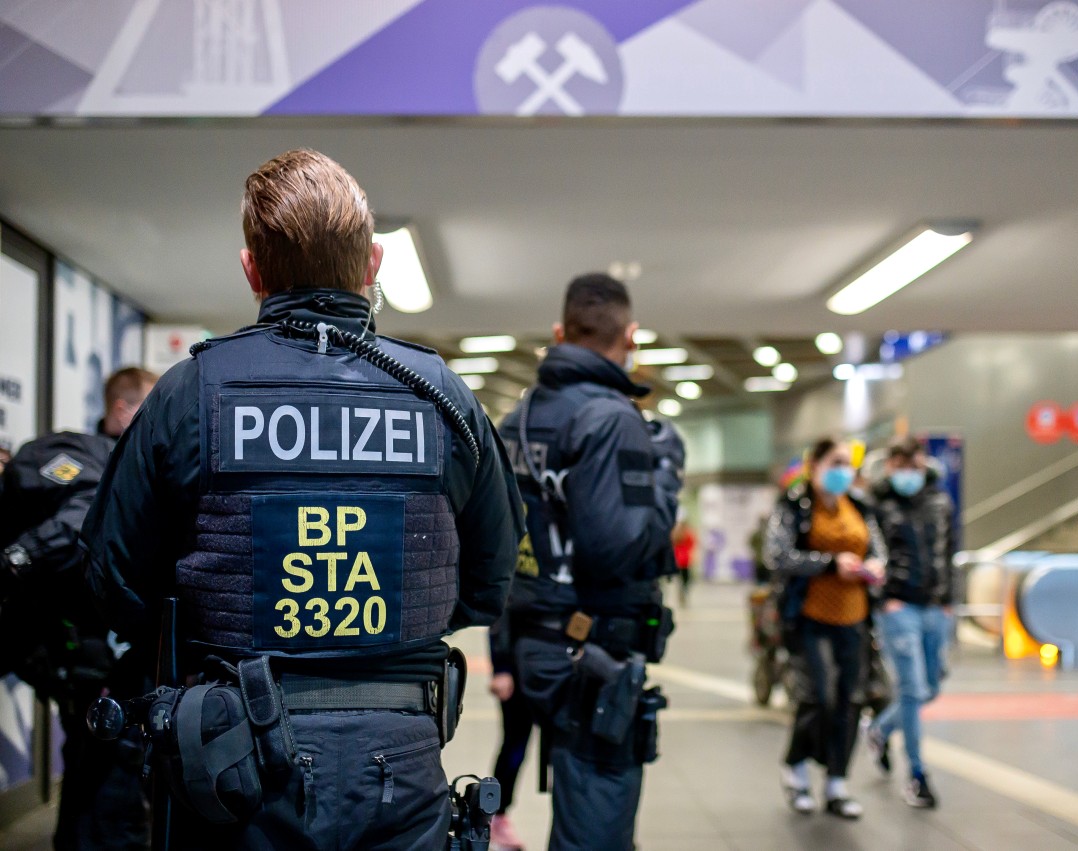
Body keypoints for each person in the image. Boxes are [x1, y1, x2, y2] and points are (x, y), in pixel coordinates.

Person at [80, 148, 522, 849]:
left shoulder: (191, 395)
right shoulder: (443, 398)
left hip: (235, 765)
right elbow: (491, 581)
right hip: (403, 758)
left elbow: (113, 580)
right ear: (372, 264)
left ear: (252, 269)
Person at [498, 272, 682, 851]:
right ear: (631, 336)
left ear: (560, 332)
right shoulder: (612, 418)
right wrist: (664, 481)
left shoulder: (518, 419)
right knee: (597, 832)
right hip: (592, 655)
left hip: (537, 643)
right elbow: (618, 551)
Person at [0, 366, 157, 851]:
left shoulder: (129, 460)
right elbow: (83, 515)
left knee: (99, 780)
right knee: (111, 792)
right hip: (91, 655)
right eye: (150, 409)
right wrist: (16, 559)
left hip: (107, 657)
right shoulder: (64, 455)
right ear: (122, 410)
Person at [765, 437, 885, 820]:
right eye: (834, 462)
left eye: (847, 464)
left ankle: (836, 781)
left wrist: (876, 566)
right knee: (818, 696)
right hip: (809, 615)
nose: (842, 471)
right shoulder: (795, 506)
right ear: (814, 465)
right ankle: (797, 767)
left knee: (850, 699)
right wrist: (830, 563)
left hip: (854, 617)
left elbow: (877, 549)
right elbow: (777, 555)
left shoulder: (861, 506)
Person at [864, 435, 957, 809]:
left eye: (913, 466)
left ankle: (879, 730)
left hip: (935, 607)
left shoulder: (939, 501)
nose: (908, 474)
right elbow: (869, 553)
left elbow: (949, 551)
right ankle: (917, 775)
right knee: (912, 689)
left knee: (930, 688)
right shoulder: (876, 505)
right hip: (898, 608)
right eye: (900, 466)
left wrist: (949, 598)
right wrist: (884, 599)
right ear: (890, 467)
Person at [487, 610, 535, 851]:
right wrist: (502, 667)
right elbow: (501, 614)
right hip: (517, 665)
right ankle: (496, 814)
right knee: (515, 743)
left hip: (555, 659)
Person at [670, 511, 696, 607]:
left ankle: (683, 593)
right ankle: (682, 593)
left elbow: (692, 544)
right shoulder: (678, 532)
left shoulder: (685, 532)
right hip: (680, 560)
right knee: (683, 579)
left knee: (685, 579)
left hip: (683, 560)